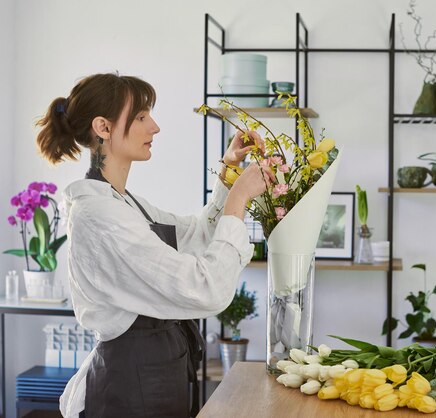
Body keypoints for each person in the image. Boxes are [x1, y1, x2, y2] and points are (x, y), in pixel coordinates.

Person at [35, 73, 274, 418]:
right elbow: (203, 287)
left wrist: (228, 171)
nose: (155, 127)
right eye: (142, 117)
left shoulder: (122, 203)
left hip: (156, 374)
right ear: (103, 127)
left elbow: (193, 234)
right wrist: (238, 198)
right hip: (132, 388)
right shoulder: (99, 215)